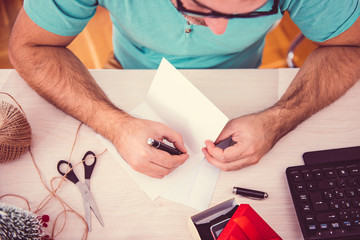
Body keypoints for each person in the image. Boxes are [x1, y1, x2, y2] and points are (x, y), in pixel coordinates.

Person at [8, 0, 360, 178]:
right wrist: (114, 125)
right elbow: (29, 47)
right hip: (128, 72)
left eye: (248, 11)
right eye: (201, 8)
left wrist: (278, 120)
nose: (219, 31)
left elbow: (352, 46)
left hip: (241, 77)